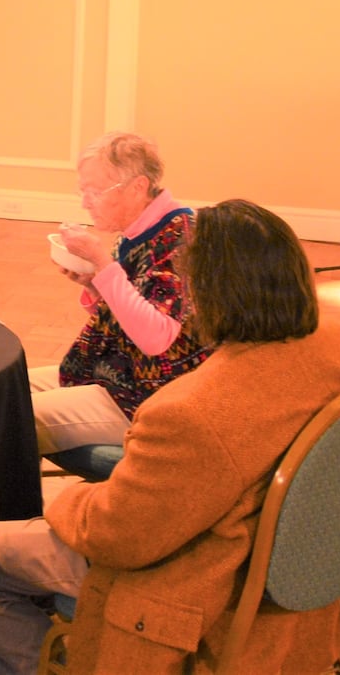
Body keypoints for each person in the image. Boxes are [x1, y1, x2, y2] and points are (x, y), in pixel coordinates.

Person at [0, 199, 340, 675]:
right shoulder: (339, 341)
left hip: (198, 580)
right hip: (302, 557)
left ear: (204, 294)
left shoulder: (190, 412)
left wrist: (67, 502)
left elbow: (115, 536)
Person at [32, 132, 210, 455]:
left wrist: (103, 264)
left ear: (138, 187)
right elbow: (131, 310)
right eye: (82, 191)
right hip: (116, 373)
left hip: (148, 396)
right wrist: (94, 282)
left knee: (10, 418)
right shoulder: (138, 229)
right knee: (2, 391)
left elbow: (157, 338)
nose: (85, 202)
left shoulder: (180, 237)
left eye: (95, 192)